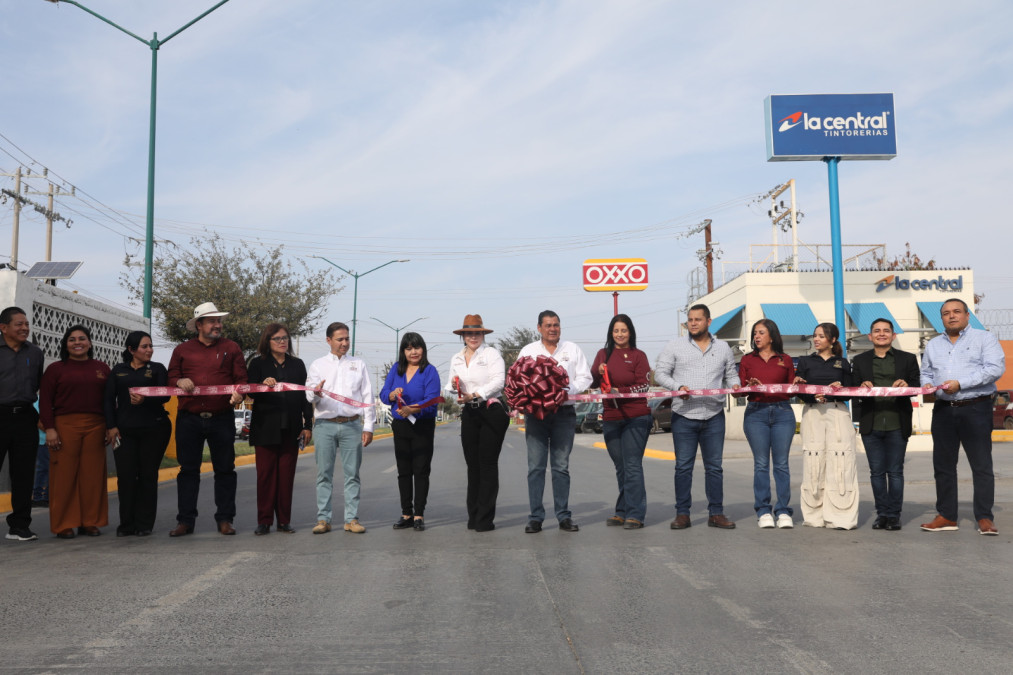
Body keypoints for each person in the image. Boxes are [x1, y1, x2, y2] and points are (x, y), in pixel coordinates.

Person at [919, 298, 1005, 535]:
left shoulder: (984, 339)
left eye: (957, 311)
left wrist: (960, 384)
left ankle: (985, 517)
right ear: (942, 318)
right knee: (944, 466)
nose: (952, 316)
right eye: (946, 313)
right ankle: (946, 515)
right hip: (944, 410)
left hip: (975, 408)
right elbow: (925, 372)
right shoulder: (934, 344)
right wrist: (929, 387)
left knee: (981, 465)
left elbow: (994, 369)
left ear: (967, 315)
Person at [655, 304, 740, 530]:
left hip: (714, 415)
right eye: (690, 319)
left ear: (708, 321)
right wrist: (677, 386)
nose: (693, 323)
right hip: (684, 415)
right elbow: (660, 373)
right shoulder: (675, 346)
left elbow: (731, 375)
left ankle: (716, 514)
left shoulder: (722, 348)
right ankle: (682, 514)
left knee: (714, 467)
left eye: (698, 319)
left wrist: (737, 386)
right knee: (683, 467)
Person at [166, 302, 247, 537]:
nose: (218, 325)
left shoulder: (232, 348)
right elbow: (171, 377)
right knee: (188, 471)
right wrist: (179, 382)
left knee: (225, 470)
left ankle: (225, 519)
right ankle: (185, 521)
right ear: (199, 325)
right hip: (188, 419)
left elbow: (242, 379)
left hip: (221, 417)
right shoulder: (182, 350)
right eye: (212, 321)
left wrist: (239, 392)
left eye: (219, 321)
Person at [518, 310, 592, 534]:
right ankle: (536, 517)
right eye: (548, 325)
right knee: (536, 468)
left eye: (556, 325)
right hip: (537, 416)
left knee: (561, 467)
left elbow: (586, 377)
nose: (553, 329)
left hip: (563, 414)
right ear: (539, 328)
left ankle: (563, 516)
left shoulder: (572, 349)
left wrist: (566, 390)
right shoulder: (528, 351)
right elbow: (518, 378)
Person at [39, 325, 111, 538]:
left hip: (96, 426)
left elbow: (109, 401)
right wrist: (50, 429)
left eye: (82, 338)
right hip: (64, 426)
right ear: (66, 344)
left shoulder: (102, 368)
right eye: (72, 339)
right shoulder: (55, 369)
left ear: (89, 342)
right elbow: (45, 401)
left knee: (93, 476)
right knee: (64, 476)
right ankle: (64, 524)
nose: (77, 342)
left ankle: (90, 522)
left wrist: (110, 426)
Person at [852, 318, 920, 532]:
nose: (882, 334)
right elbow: (852, 389)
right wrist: (861, 386)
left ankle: (894, 515)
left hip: (897, 422)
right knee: (876, 472)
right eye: (877, 331)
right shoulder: (860, 360)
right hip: (871, 423)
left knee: (895, 472)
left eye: (886, 331)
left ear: (894, 335)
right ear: (870, 336)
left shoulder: (908, 359)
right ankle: (881, 514)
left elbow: (917, 386)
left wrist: (907, 385)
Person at [306, 321, 374, 535]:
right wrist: (316, 392)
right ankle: (323, 519)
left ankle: (351, 519)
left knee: (352, 474)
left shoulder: (358, 364)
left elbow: (367, 396)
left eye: (347, 338)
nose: (345, 343)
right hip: (325, 425)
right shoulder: (317, 365)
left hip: (351, 425)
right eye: (340, 339)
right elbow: (308, 394)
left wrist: (369, 426)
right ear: (329, 340)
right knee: (324, 474)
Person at [103, 331, 172, 537]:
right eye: (144, 347)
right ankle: (126, 524)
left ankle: (144, 524)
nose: (149, 350)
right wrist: (111, 426)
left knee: (147, 476)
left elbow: (165, 395)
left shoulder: (158, 369)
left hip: (155, 430)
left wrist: (145, 399)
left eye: (151, 346)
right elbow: (108, 400)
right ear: (131, 350)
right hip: (124, 432)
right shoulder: (118, 371)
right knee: (125, 477)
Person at [247, 323, 313, 535]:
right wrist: (261, 385)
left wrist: (307, 425)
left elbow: (305, 397)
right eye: (277, 338)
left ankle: (284, 521)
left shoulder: (297, 364)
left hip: (291, 428)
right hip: (265, 428)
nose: (283, 341)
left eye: (285, 338)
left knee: (286, 477)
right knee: (265, 476)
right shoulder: (258, 364)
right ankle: (264, 521)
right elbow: (251, 392)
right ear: (267, 341)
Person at [446, 314, 509, 532]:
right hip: (470, 413)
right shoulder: (456, 358)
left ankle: (485, 518)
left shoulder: (492, 354)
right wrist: (455, 388)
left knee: (487, 464)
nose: (473, 337)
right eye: (469, 333)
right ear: (462, 336)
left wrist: (475, 394)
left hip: (491, 410)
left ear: (483, 334)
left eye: (477, 333)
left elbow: (499, 381)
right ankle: (473, 516)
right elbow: (450, 385)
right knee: (472, 466)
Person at [793, 322, 857, 530]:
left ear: (833, 340)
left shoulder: (842, 363)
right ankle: (814, 515)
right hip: (813, 412)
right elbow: (799, 390)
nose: (816, 339)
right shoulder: (805, 361)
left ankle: (841, 516)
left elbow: (849, 390)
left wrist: (838, 389)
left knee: (841, 460)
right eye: (815, 335)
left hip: (837, 411)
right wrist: (811, 394)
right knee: (814, 460)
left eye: (821, 336)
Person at [590, 314, 651, 530]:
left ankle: (635, 514)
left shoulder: (638, 355)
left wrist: (620, 391)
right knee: (621, 467)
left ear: (630, 332)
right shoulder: (602, 354)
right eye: (616, 331)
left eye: (624, 330)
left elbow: (644, 386)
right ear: (611, 333)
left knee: (632, 465)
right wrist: (597, 374)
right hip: (611, 418)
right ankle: (622, 510)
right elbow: (595, 382)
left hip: (636, 416)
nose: (620, 334)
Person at [739, 319, 797, 529]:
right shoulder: (747, 360)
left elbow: (792, 387)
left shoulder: (786, 359)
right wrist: (749, 386)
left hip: (783, 412)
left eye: (761, 332)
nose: (756, 336)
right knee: (761, 464)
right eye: (755, 333)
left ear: (771, 336)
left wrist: (799, 384)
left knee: (781, 464)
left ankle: (783, 511)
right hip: (756, 413)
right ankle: (763, 510)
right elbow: (742, 386)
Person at [381, 332, 441, 531]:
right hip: (400, 426)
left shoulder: (430, 371)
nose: (413, 352)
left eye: (416, 347)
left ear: (423, 349)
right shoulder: (396, 370)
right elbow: (383, 395)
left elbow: (432, 401)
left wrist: (412, 408)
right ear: (403, 351)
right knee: (403, 471)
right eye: (408, 348)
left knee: (421, 470)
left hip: (422, 426)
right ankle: (406, 513)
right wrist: (391, 394)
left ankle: (418, 515)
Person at [0, 306, 45, 542]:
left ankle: (19, 526)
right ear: (3, 327)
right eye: (19, 324)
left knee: (24, 474)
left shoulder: (35, 353)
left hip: (26, 417)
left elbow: (38, 385)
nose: (25, 328)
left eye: (26, 324)